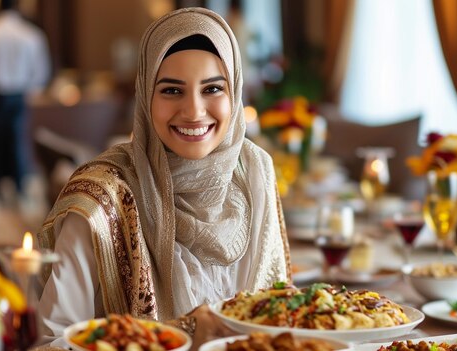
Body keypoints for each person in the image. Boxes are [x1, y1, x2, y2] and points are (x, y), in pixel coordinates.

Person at [35, 7, 291, 349]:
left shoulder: (254, 172)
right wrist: (184, 330)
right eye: (172, 91)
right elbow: (50, 342)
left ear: (235, 92)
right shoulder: (104, 197)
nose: (194, 111)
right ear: (145, 96)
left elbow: (284, 319)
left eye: (213, 89)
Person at [0, 0, 50, 203]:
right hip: (19, 94)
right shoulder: (32, 35)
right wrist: (32, 89)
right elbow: (41, 73)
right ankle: (19, 187)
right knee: (17, 140)